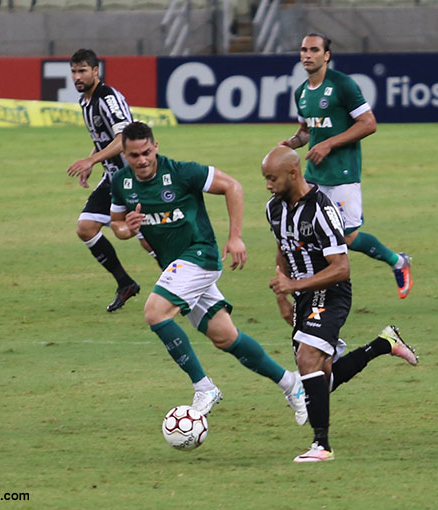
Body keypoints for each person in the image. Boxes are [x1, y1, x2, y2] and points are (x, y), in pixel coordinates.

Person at [109, 121, 307, 424]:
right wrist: (128, 229)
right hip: (176, 267)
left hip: (199, 255)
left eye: (147, 152)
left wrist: (235, 237)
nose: (142, 160)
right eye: (134, 155)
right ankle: (292, 384)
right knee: (226, 337)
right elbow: (117, 225)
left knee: (155, 312)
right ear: (125, 155)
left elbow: (233, 186)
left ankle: (204, 388)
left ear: (156, 146)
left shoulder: (181, 172)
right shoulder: (121, 182)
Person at [263, 146, 418, 463]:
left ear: (293, 174)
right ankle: (383, 344)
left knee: (308, 361)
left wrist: (292, 284)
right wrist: (283, 293)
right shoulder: (273, 209)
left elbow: (341, 268)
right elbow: (283, 247)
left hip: (331, 289)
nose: (268, 185)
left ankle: (322, 446)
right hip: (302, 294)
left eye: (272, 178)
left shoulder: (322, 210)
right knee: (321, 379)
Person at [279, 32, 413, 300]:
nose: (307, 54)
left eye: (314, 50)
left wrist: (329, 144)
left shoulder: (343, 85)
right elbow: (307, 131)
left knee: (348, 238)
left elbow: (368, 123)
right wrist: (293, 143)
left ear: (326, 56)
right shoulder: (301, 93)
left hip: (342, 176)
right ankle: (315, 286)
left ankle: (398, 262)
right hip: (313, 176)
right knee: (306, 230)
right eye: (304, 49)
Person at [66, 48, 143, 313]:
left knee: (150, 240)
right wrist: (92, 159)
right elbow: (103, 137)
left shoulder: (107, 98)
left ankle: (192, 289)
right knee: (86, 227)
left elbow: (124, 138)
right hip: (113, 178)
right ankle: (125, 283)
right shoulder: (85, 101)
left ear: (96, 71)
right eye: (74, 71)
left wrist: (92, 160)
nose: (77, 76)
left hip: (134, 178)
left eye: (82, 71)